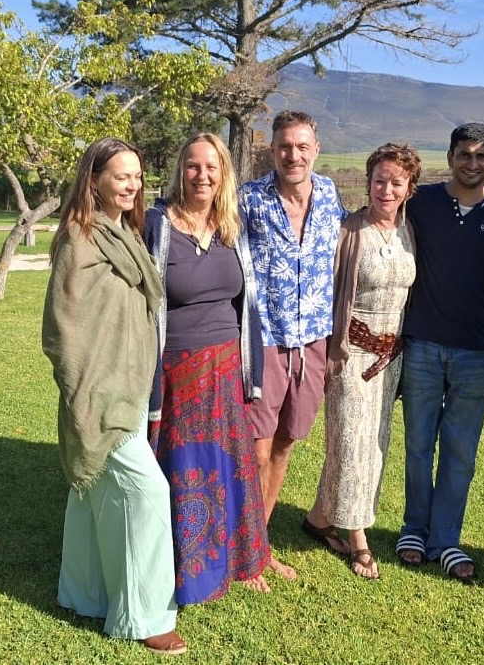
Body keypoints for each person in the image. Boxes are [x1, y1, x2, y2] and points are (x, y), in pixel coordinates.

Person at [42, 137, 186, 655]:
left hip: (128, 384)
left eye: (137, 176)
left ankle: (84, 593)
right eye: (120, 175)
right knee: (148, 493)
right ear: (94, 179)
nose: (131, 185)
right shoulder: (78, 241)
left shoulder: (125, 234)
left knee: (94, 492)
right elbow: (62, 328)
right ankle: (146, 615)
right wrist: (85, 387)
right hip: (98, 391)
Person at [396, 124, 484, 583]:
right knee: (418, 444)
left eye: (482, 156)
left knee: (460, 451)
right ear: (450, 156)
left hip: (476, 349)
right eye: (464, 154)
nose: (472, 163)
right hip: (423, 343)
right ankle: (414, 528)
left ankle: (446, 540)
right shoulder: (422, 202)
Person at [144, 133, 271, 603]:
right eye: (194, 166)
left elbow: (247, 302)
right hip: (177, 372)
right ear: (181, 170)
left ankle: (239, 562)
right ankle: (182, 570)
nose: (202, 175)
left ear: (224, 174)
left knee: (228, 468)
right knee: (183, 470)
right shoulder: (157, 224)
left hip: (225, 368)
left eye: (212, 167)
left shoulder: (231, 227)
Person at [303, 143, 421, 579]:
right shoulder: (348, 232)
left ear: (409, 187)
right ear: (368, 182)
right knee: (351, 441)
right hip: (351, 354)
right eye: (378, 180)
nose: (385, 190)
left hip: (391, 360)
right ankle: (358, 538)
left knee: (374, 443)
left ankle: (318, 518)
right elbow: (326, 292)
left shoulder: (410, 232)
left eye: (396, 182)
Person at [239, 110, 347, 579]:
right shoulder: (248, 200)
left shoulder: (329, 194)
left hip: (314, 342)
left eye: (302, 146)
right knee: (256, 449)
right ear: (272, 151)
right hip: (263, 341)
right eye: (285, 146)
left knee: (284, 444)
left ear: (315, 150)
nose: (293, 155)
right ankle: (243, 548)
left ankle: (257, 545)